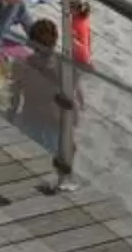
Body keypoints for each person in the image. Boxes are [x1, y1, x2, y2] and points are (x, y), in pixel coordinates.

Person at [14, 16, 82, 185]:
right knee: (66, 152)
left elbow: (15, 96)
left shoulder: (22, 65)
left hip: (33, 117)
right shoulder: (66, 67)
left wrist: (11, 114)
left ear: (31, 42)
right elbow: (76, 96)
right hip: (58, 120)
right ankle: (63, 180)